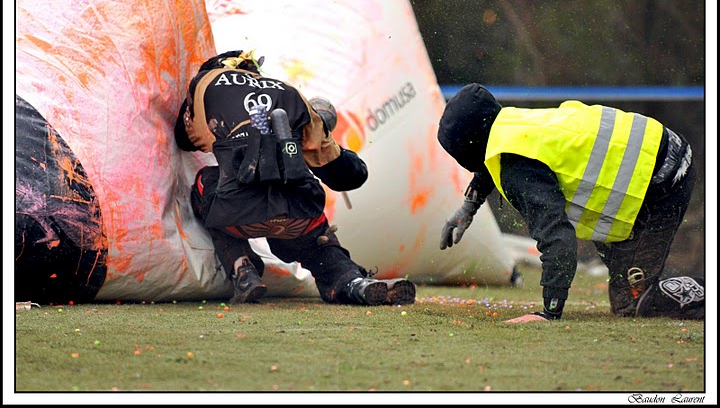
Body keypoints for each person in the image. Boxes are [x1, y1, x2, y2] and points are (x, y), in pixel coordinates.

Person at [436, 83, 704, 323]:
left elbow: (558, 238)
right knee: (624, 276)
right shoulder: (509, 125)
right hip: (654, 157)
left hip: (663, 178)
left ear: (466, 147)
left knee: (633, 302)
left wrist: (550, 311)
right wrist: (467, 208)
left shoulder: (517, 170)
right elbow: (489, 163)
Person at [175, 49, 415, 306]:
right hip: (299, 213)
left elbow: (184, 138)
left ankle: (242, 268)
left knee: (206, 183)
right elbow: (344, 176)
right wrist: (347, 156)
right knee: (317, 242)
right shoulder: (290, 93)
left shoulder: (205, 84)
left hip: (235, 213)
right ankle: (352, 282)